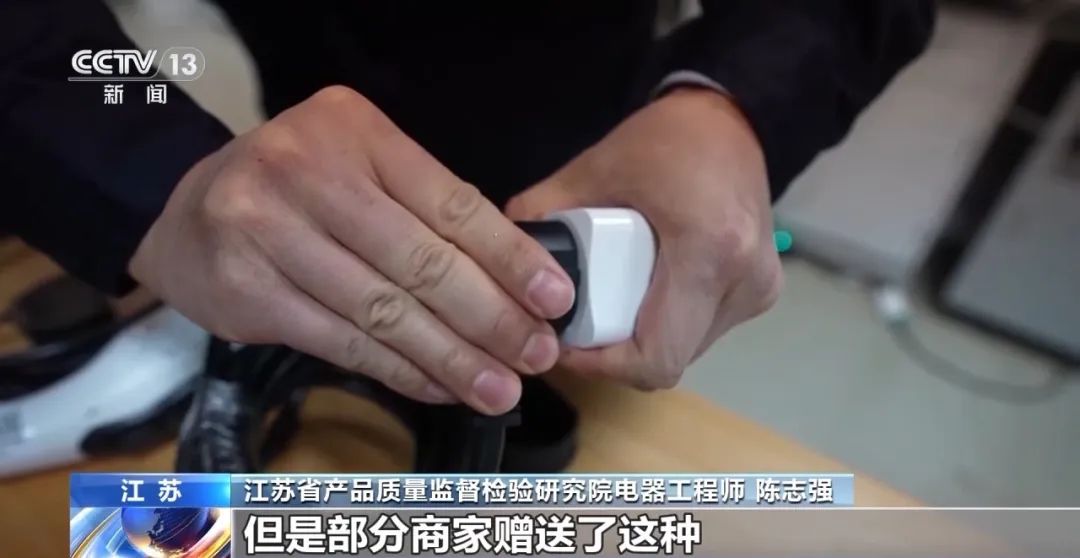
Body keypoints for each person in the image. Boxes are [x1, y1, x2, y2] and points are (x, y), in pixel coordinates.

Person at [0, 1, 934, 416]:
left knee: (534, 290)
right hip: (283, 49)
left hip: (554, 80)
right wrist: (151, 164)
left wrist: (729, 102)